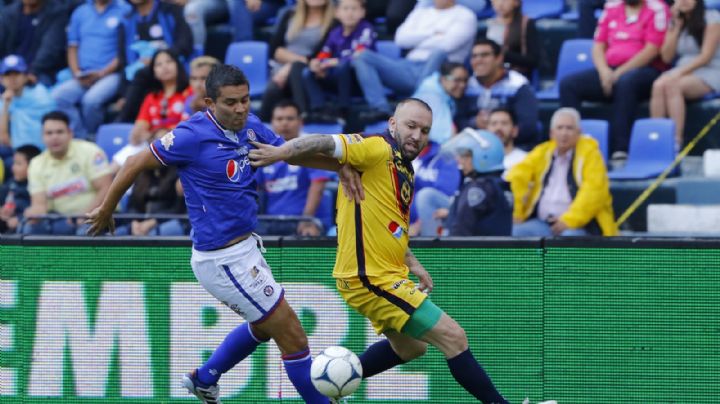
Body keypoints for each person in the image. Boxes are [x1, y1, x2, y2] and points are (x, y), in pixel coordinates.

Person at [248, 98, 556, 404]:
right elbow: (322, 142)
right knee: (454, 337)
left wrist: (412, 261)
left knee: (412, 348)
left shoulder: (402, 166)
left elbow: (391, 225)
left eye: (424, 130)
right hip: (368, 277)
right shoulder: (375, 147)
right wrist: (280, 153)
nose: (417, 136)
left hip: (383, 273)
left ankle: (328, 383)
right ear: (392, 124)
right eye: (411, 126)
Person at [86, 64, 361, 404]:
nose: (241, 108)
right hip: (222, 259)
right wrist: (107, 208)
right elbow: (133, 164)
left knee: (263, 326)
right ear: (210, 103)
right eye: (231, 102)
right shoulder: (190, 135)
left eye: (245, 100)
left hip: (246, 250)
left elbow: (290, 156)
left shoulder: (250, 126)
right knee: (293, 336)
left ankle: (204, 378)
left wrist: (341, 167)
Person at [559, 0, 671, 160]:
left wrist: (619, 73)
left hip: (646, 70)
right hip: (610, 68)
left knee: (626, 83)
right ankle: (571, 144)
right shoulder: (612, 7)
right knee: (568, 84)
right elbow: (598, 46)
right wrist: (604, 71)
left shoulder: (657, 8)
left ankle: (620, 147)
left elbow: (652, 49)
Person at [352, 0, 477, 122]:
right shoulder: (420, 12)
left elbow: (447, 45)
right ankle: (380, 108)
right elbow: (400, 39)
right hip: (409, 66)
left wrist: (416, 39)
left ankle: (417, 103)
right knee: (363, 56)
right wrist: (433, 33)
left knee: (438, 53)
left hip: (440, 69)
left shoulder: (465, 15)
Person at [508, 108, 618, 237]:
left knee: (568, 238)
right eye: (559, 128)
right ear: (551, 133)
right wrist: (517, 214)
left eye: (569, 128)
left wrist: (568, 221)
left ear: (579, 132)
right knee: (515, 232)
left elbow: (593, 192)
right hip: (542, 223)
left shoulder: (590, 153)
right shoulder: (541, 152)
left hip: (579, 225)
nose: (564, 133)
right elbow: (517, 178)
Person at [23, 111, 113, 235]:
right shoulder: (36, 164)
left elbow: (106, 188)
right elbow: (39, 205)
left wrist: (85, 216)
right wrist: (32, 214)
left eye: (60, 132)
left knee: (84, 232)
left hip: (96, 215)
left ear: (70, 133)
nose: (54, 137)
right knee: (30, 229)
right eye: (49, 133)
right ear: (42, 137)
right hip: (60, 219)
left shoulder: (90, 151)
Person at [51, 0, 129, 139]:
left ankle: (93, 137)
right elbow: (72, 46)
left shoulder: (124, 9)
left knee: (91, 101)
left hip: (111, 74)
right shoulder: (80, 12)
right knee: (58, 96)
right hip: (84, 74)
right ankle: (79, 137)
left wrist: (101, 73)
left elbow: (124, 50)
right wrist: (77, 74)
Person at [256, 100, 332, 236]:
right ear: (272, 123)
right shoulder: (264, 152)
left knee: (309, 235)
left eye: (290, 118)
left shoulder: (311, 148)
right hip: (270, 222)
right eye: (279, 119)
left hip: (305, 220)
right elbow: (253, 188)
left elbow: (318, 185)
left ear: (300, 122)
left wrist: (307, 220)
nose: (284, 123)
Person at [650, 0, 720, 148]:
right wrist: (676, 26)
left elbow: (706, 56)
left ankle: (675, 142)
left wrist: (677, 73)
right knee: (658, 85)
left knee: (671, 85)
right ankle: (657, 137)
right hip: (683, 70)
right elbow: (666, 57)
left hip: (711, 69)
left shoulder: (712, 18)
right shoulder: (676, 22)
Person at [116, 0, 193, 123]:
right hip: (140, 80)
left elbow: (185, 44)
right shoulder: (126, 20)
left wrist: (157, 60)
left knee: (142, 74)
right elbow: (124, 61)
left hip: (172, 68)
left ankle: (121, 123)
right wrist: (123, 94)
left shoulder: (170, 11)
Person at [259, 0, 336, 120]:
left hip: (309, 71)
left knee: (293, 73)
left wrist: (291, 65)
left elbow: (320, 54)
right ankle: (258, 131)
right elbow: (274, 49)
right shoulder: (289, 15)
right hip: (281, 70)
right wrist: (290, 64)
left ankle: (301, 117)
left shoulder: (333, 22)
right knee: (272, 91)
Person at [302, 0, 377, 121]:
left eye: (354, 9)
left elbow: (359, 55)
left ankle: (343, 110)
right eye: (345, 9)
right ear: (337, 13)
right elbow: (324, 53)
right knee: (307, 72)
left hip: (358, 81)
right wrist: (318, 64)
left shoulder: (366, 29)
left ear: (363, 12)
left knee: (344, 66)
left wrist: (332, 62)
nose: (349, 13)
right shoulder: (335, 32)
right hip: (337, 78)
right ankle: (319, 109)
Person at [460, 38, 539, 149]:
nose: (478, 60)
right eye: (474, 56)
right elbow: (457, 120)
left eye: (484, 55)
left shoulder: (517, 85)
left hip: (511, 148)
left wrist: (498, 128)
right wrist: (474, 123)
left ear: (499, 58)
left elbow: (528, 125)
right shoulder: (466, 85)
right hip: (472, 147)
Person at [437, 128, 512, 236]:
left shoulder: (478, 188)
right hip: (494, 250)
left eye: (465, 155)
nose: (460, 160)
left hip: (472, 251)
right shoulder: (500, 185)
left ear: (484, 156)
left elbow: (460, 230)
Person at [0, 0, 69, 86]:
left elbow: (50, 50)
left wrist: (30, 73)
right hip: (7, 70)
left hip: (40, 72)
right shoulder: (9, 13)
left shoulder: (57, 13)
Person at [0, 54, 56, 151]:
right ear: (1, 79)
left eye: (16, 74)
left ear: (26, 76)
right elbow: (3, 138)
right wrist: (6, 105)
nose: (12, 79)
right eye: (7, 75)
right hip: (18, 153)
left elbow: (53, 124)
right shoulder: (4, 100)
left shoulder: (40, 93)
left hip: (44, 150)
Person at [412, 61, 469, 144]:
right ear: (443, 79)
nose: (463, 85)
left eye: (465, 80)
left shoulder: (440, 89)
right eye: (457, 80)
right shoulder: (433, 96)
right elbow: (444, 137)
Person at [486, 0, 541, 78]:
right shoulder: (491, 23)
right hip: (491, 75)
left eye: (505, 0)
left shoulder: (526, 24)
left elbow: (533, 60)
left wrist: (502, 54)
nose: (500, 4)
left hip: (516, 75)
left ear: (516, 2)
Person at [0, 145, 41, 233]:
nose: (13, 168)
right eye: (14, 163)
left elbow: (40, 210)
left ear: (33, 166)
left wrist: (20, 219)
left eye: (18, 164)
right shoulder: (11, 184)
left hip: (23, 228)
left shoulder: (38, 188)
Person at [486, 107, 527, 178]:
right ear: (486, 130)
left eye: (504, 123)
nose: (498, 128)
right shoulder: (477, 161)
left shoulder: (525, 160)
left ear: (515, 131)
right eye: (493, 124)